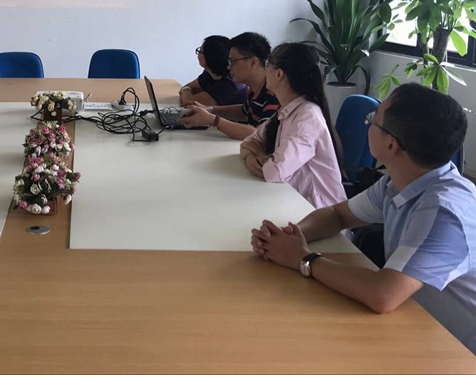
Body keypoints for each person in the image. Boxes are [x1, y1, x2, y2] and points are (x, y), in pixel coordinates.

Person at [250, 83, 476, 355]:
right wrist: (290, 237)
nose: (367, 124)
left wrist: (303, 258)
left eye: (372, 120)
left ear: (391, 144)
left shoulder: (444, 213)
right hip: (416, 325)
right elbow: (337, 215)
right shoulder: (400, 181)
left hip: (458, 349)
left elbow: (383, 294)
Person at [239, 43, 346, 209]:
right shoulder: (287, 110)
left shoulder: (307, 117)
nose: (265, 70)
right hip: (290, 201)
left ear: (279, 74)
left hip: (317, 212)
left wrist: (262, 159)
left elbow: (274, 172)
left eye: (267, 65)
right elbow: (249, 141)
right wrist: (251, 157)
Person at [181, 32, 279, 140]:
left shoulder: (275, 93)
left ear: (252, 62)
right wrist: (210, 110)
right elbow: (243, 112)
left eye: (233, 61)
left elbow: (258, 134)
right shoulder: (255, 88)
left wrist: (213, 120)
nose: (228, 67)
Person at [178, 35, 248, 107]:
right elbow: (188, 87)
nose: (198, 54)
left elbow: (188, 102)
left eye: (200, 51)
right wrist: (186, 90)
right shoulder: (210, 72)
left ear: (210, 56)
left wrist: (186, 91)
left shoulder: (230, 84)